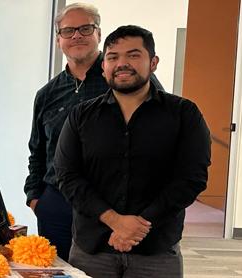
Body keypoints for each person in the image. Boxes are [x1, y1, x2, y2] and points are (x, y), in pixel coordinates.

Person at [55, 25, 210, 277]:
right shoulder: (81, 116)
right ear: (104, 66)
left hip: (156, 250)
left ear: (153, 62)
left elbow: (191, 178)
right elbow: (67, 175)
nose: (122, 63)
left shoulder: (184, 114)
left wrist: (138, 226)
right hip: (92, 250)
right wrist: (115, 221)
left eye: (134, 55)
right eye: (113, 57)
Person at [23, 3, 163, 260]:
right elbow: (37, 149)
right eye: (68, 31)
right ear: (58, 40)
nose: (77, 35)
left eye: (85, 28)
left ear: (99, 34)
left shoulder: (127, 78)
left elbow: (159, 134)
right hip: (57, 202)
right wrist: (35, 197)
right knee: (58, 272)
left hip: (114, 205)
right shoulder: (47, 95)